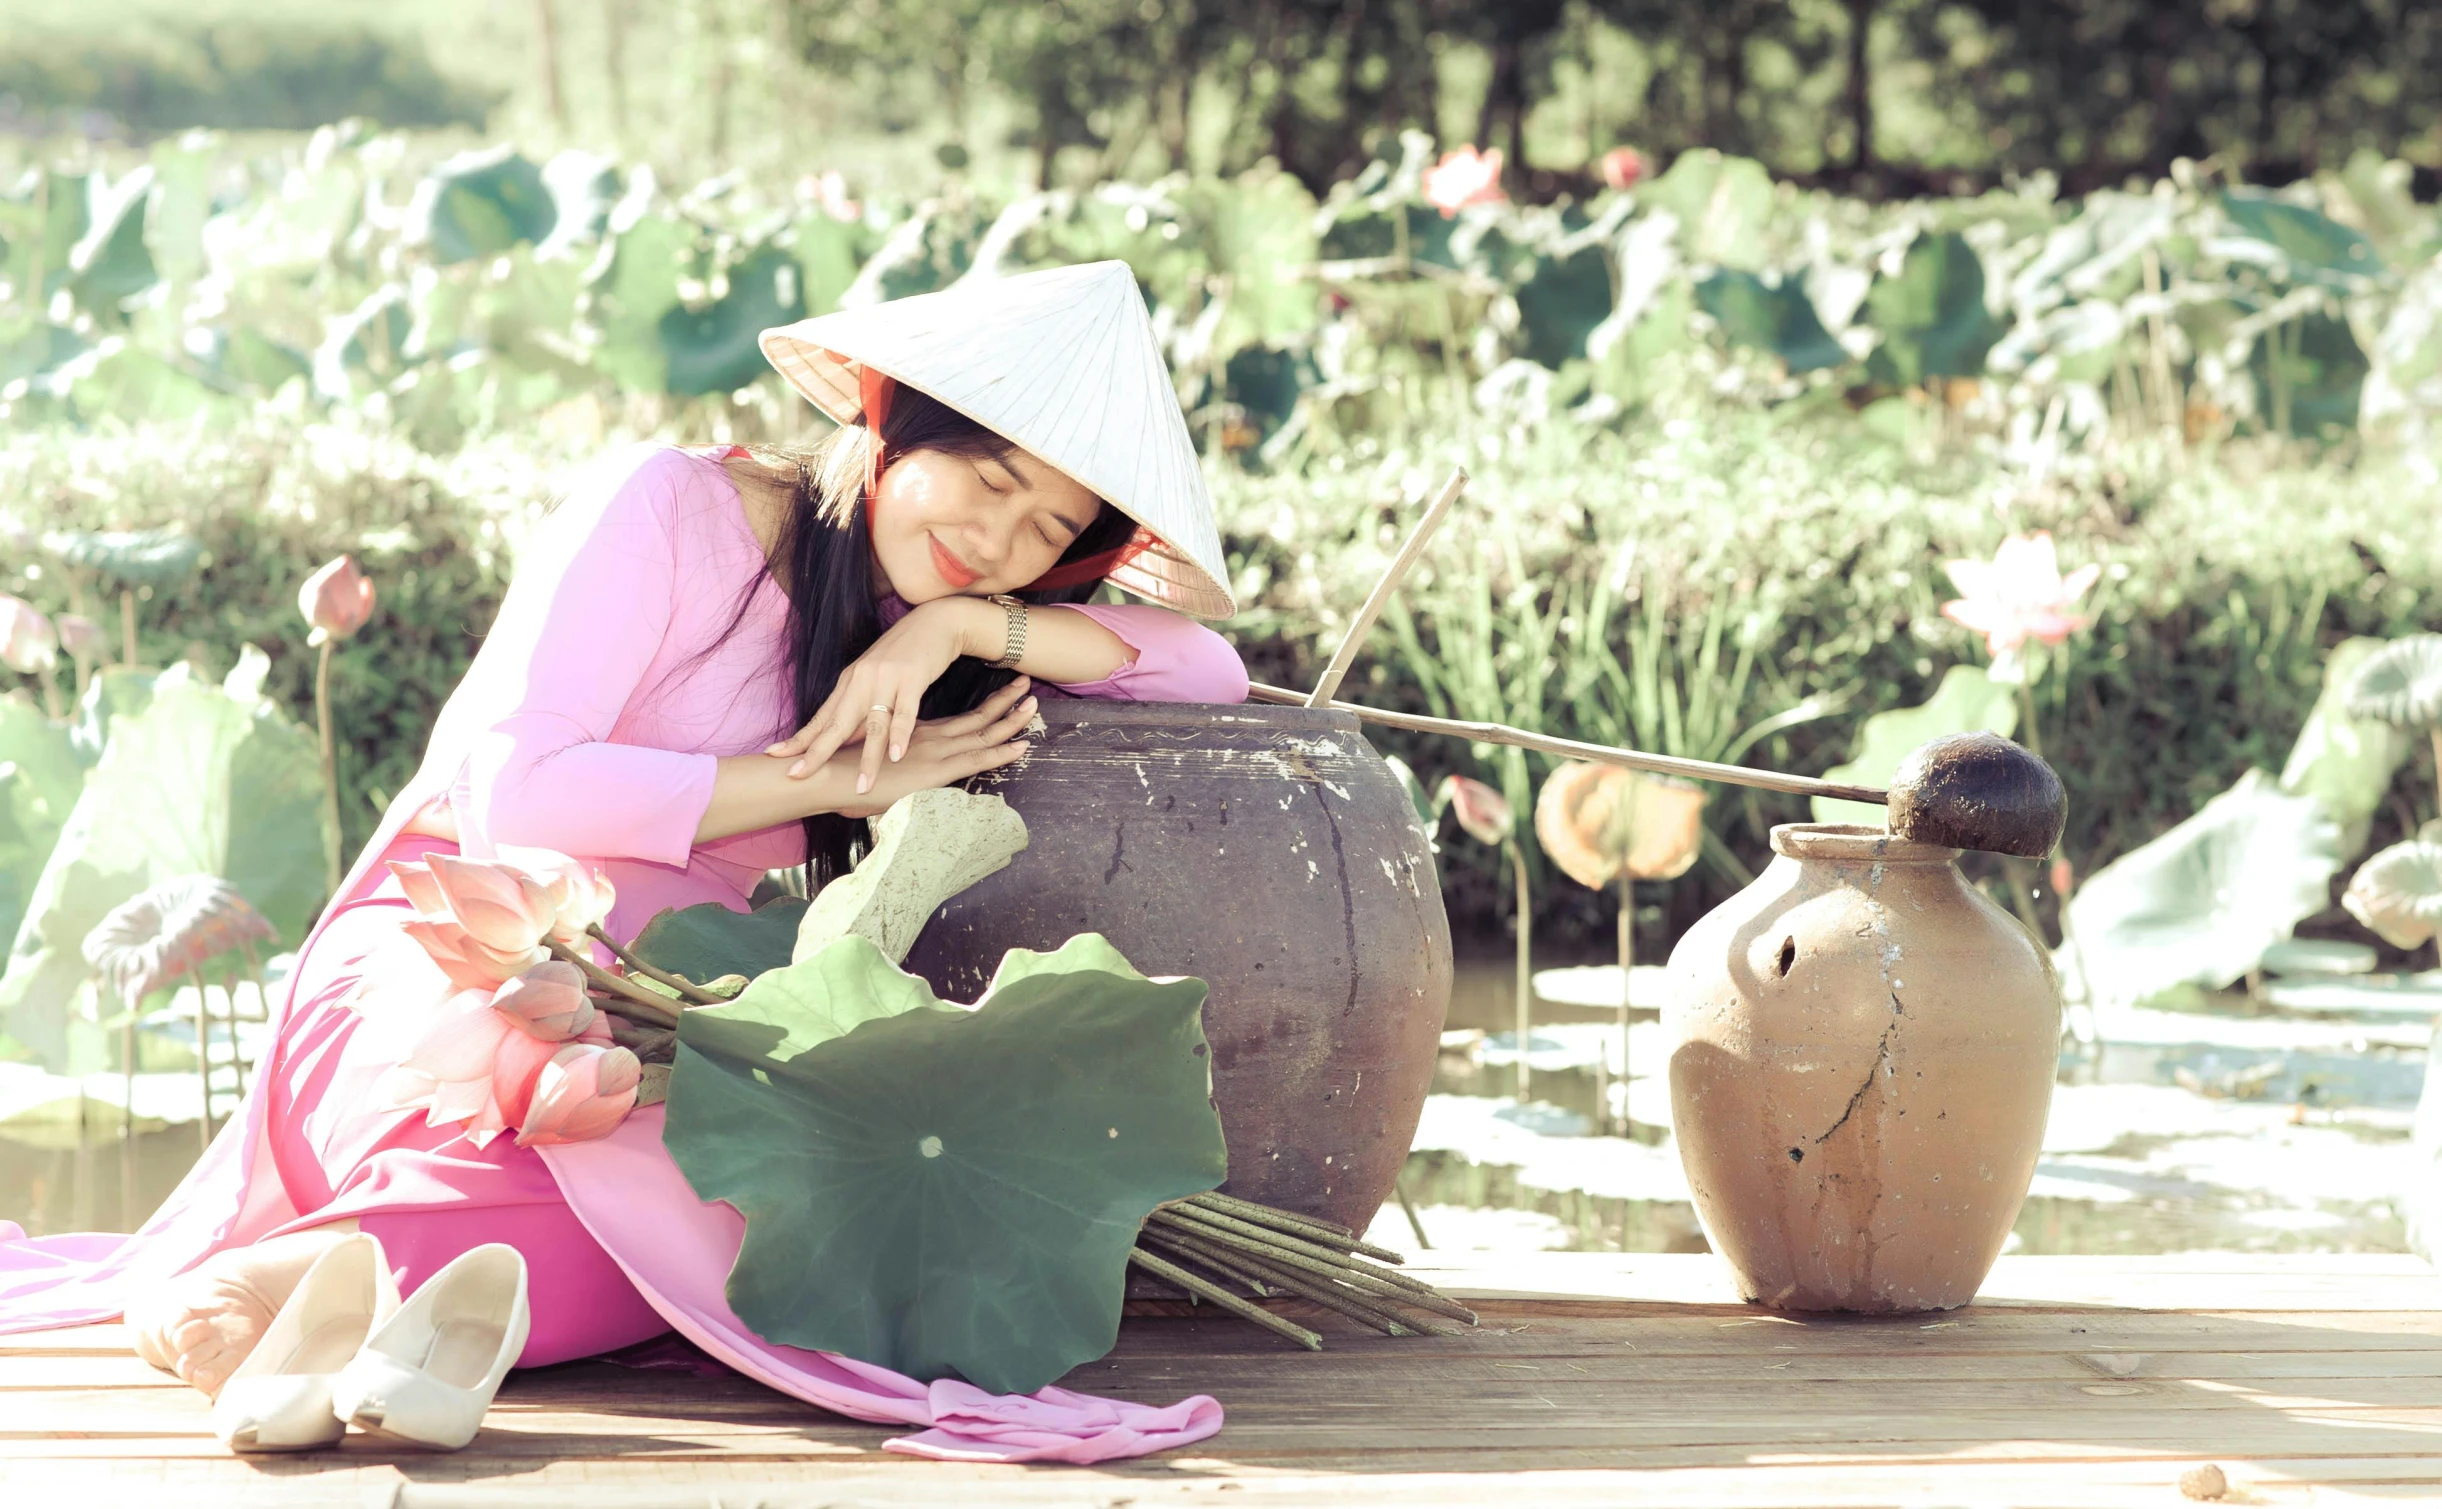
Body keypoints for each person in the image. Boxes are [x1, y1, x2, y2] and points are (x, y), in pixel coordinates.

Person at [0, 261, 1245, 1460]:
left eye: (1047, 529)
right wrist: (836, 782)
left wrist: (971, 627)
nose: (999, 535)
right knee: (619, 1184)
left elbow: (1212, 669)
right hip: (461, 933)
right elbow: (519, 790)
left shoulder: (931, 624)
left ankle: (338, 1296)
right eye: (983, 477)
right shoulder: (670, 505)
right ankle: (283, 1287)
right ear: (892, 421)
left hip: (676, 997)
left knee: (714, 1223)